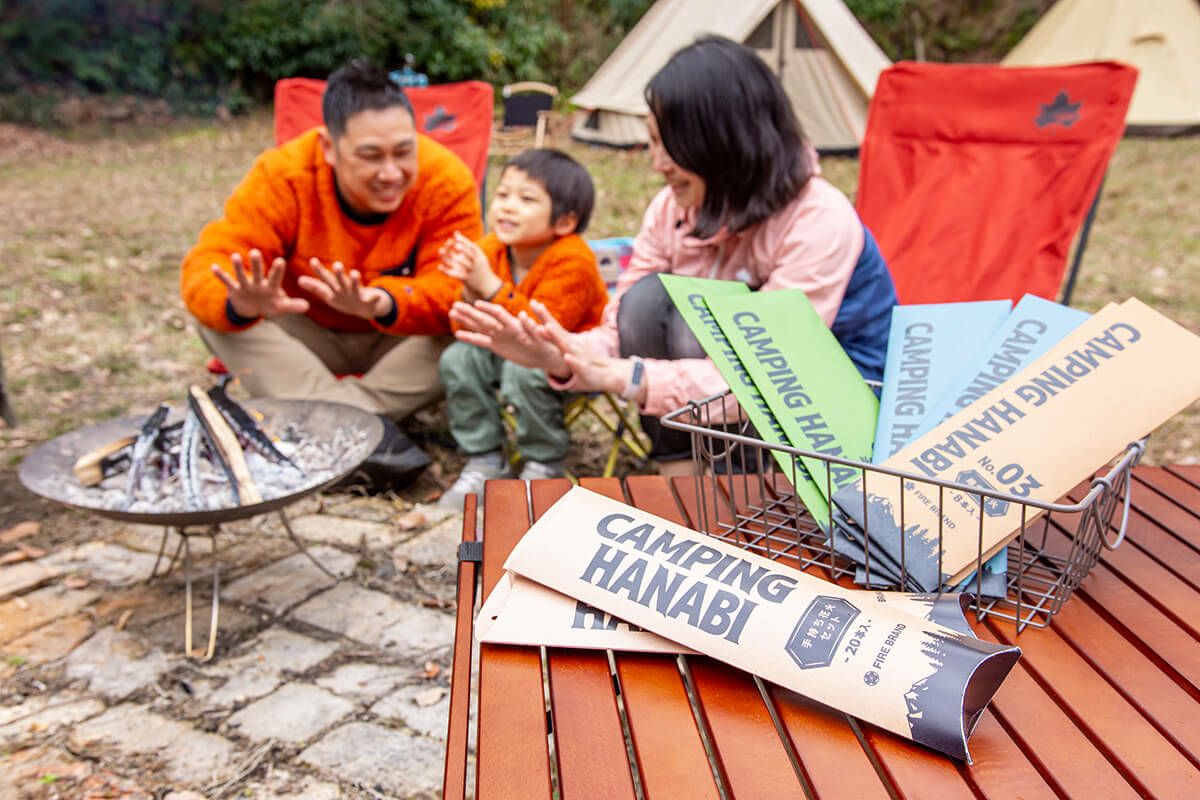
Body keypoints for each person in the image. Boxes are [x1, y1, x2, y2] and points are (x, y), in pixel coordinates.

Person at [451, 35, 897, 472]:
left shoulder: (817, 219)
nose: (657, 163)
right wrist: (559, 353)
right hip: (725, 400)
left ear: (726, 142)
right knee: (647, 299)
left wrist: (626, 377)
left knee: (696, 315)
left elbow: (773, 382)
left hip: (831, 422)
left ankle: (743, 477)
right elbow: (622, 325)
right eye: (653, 141)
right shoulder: (672, 208)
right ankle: (683, 469)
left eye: (672, 144)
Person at [180, 59, 483, 492]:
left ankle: (328, 419)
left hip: (400, 343)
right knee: (214, 314)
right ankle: (364, 423)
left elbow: (457, 287)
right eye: (370, 156)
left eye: (404, 152)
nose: (391, 173)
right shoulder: (284, 175)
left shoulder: (445, 179)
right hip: (308, 337)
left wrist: (385, 302)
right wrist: (240, 303)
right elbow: (207, 265)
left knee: (476, 317)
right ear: (328, 146)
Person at [436, 149, 608, 508]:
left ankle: (543, 463)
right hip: (507, 351)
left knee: (524, 368)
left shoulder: (573, 260)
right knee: (458, 358)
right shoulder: (492, 249)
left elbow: (543, 333)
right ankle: (483, 458)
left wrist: (489, 286)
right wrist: (468, 289)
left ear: (565, 222)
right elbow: (459, 324)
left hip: (568, 364)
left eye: (526, 199)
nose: (507, 207)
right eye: (502, 194)